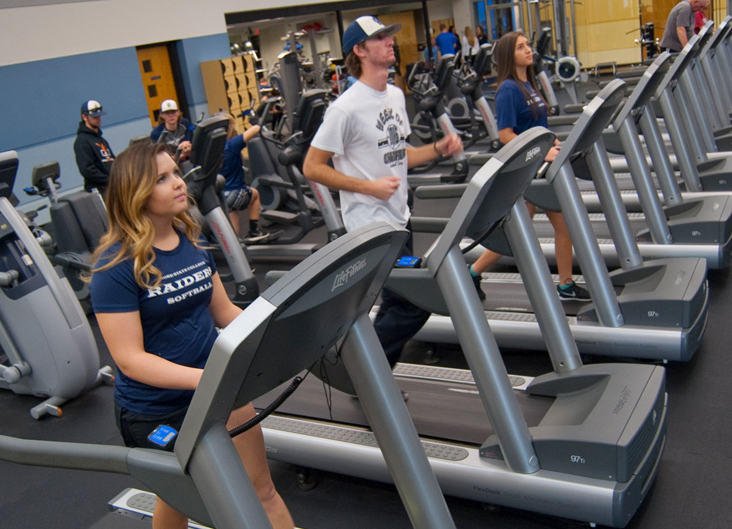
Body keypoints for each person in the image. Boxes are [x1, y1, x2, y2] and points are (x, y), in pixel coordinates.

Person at [88, 141, 295, 529]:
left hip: (217, 390)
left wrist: (280, 334)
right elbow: (130, 359)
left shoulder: (192, 243)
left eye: (176, 174)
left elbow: (225, 312)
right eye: (162, 179)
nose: (178, 183)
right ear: (137, 192)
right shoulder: (114, 267)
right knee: (183, 497)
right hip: (156, 408)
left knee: (261, 488)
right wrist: (210, 378)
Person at [303, 15, 463, 368]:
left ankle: (372, 381)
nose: (390, 41)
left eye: (389, 36)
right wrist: (368, 187)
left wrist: (438, 148)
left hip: (400, 219)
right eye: (380, 38)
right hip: (370, 229)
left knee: (396, 302)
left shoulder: (394, 95)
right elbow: (312, 167)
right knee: (414, 301)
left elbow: (400, 154)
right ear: (359, 50)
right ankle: (361, 370)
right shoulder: (344, 108)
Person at [468, 31, 590, 302]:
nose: (528, 50)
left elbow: (537, 128)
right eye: (521, 47)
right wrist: (541, 152)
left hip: (537, 169)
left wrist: (555, 142)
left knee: (526, 231)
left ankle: (475, 272)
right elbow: (506, 135)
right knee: (525, 231)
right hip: (526, 171)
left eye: (528, 45)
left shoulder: (529, 84)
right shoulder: (508, 89)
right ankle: (565, 286)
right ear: (508, 56)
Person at [219, 114, 269, 242]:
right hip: (236, 193)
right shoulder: (231, 144)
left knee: (234, 229)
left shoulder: (213, 149)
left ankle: (233, 248)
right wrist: (257, 122)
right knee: (255, 194)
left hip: (222, 196)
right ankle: (254, 230)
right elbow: (256, 129)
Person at [74, 100, 115, 193]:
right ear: (84, 117)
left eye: (99, 115)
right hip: (100, 190)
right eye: (94, 116)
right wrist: (109, 180)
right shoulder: (82, 141)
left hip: (111, 187)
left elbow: (111, 160)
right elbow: (87, 169)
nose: (98, 118)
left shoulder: (101, 140)